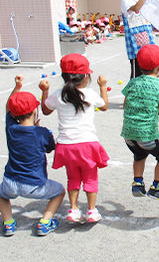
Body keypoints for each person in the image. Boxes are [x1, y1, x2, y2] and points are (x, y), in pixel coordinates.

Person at [40, 54, 109, 224]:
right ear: (86, 76)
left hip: (66, 145)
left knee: (73, 178)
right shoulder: (89, 93)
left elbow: (45, 110)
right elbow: (105, 106)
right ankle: (91, 210)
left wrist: (44, 91)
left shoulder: (58, 94)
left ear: (64, 76)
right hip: (87, 144)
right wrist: (103, 87)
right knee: (90, 177)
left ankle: (74, 209)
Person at [0, 76, 65, 236]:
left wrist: (17, 87)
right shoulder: (42, 133)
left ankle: (8, 222)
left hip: (10, 181)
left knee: (1, 196)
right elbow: (50, 148)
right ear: (35, 111)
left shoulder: (11, 128)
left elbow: (8, 107)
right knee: (59, 192)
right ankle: (45, 222)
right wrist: (40, 129)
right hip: (35, 184)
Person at [121, 45, 159, 202]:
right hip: (147, 134)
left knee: (139, 154)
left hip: (128, 133)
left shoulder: (133, 83)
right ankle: (157, 187)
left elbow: (125, 105)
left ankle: (137, 183)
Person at [120, 0, 159, 80]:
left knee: (151, 69)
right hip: (134, 43)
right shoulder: (126, 1)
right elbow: (136, 8)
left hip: (147, 39)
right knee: (136, 73)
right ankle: (131, 95)